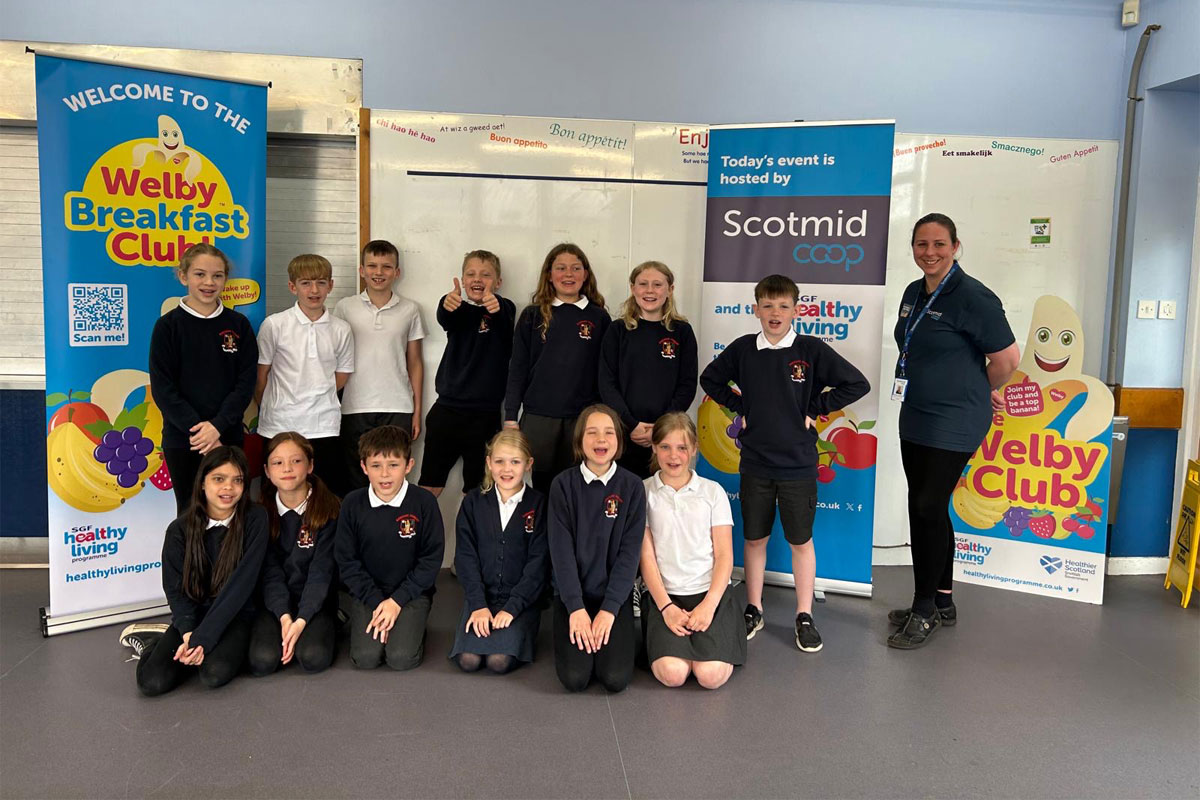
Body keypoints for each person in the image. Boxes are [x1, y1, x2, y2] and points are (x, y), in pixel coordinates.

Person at [699, 275, 870, 653]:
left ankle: (804, 615)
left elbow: (856, 384)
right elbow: (709, 378)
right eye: (768, 305)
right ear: (755, 309)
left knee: (800, 540)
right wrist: (742, 407)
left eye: (783, 306)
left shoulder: (809, 350)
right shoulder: (744, 349)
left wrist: (816, 407)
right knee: (754, 537)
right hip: (756, 464)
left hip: (798, 465)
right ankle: (754, 608)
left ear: (797, 309)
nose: (775, 313)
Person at [887, 213, 1019, 649]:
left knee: (927, 506)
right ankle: (943, 599)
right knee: (927, 505)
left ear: (955, 246)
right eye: (922, 244)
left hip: (956, 417)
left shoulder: (974, 297)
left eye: (939, 244)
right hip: (917, 412)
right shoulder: (913, 292)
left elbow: (1008, 360)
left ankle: (923, 609)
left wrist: (980, 390)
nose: (930, 252)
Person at [127, 446, 267, 696]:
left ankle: (200, 650)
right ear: (202, 483)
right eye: (218, 479)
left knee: (214, 674)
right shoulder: (179, 529)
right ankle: (153, 642)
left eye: (237, 480)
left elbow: (241, 586)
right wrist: (190, 632)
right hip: (194, 616)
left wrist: (203, 638)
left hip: (236, 614)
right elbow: (174, 588)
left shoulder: (255, 518)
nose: (228, 488)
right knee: (152, 683)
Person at [149, 243, 258, 514]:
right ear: (183, 276)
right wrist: (201, 433)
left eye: (217, 275)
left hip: (228, 438)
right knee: (189, 513)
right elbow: (164, 389)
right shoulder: (168, 326)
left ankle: (229, 560)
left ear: (225, 279)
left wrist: (218, 427)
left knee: (231, 513)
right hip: (183, 440)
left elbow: (245, 385)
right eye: (200, 274)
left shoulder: (239, 325)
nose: (209, 282)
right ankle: (191, 560)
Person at [640, 413, 744, 689]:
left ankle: (720, 633)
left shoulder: (713, 492)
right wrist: (666, 607)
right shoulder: (643, 492)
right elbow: (646, 557)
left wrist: (709, 606)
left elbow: (724, 556)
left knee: (710, 676)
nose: (674, 456)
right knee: (673, 674)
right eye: (665, 447)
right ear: (654, 447)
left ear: (694, 449)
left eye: (682, 447)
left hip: (710, 593)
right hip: (665, 594)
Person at [547, 404, 646, 692]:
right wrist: (576, 609)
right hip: (572, 597)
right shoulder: (562, 486)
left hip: (613, 598)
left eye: (608, 433)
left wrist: (609, 610)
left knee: (614, 679)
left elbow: (630, 556)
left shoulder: (632, 486)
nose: (601, 440)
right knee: (575, 678)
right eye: (592, 433)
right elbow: (560, 554)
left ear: (619, 441)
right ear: (579, 441)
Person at [504, 243, 611, 494]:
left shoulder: (599, 318)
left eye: (575, 268)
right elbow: (518, 368)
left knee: (576, 486)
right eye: (561, 268)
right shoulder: (532, 315)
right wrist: (511, 415)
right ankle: (544, 534)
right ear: (549, 276)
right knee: (541, 488)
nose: (568, 274)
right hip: (539, 417)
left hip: (582, 418)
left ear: (585, 274)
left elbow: (606, 372)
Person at [335, 425, 444, 670]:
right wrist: (376, 601)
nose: (385, 474)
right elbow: (347, 561)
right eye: (376, 466)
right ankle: (375, 620)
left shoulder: (424, 502)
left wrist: (396, 602)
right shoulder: (353, 503)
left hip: (412, 593)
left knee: (401, 658)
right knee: (365, 658)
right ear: (364, 467)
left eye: (393, 465)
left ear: (408, 465)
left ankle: (412, 625)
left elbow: (430, 560)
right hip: (368, 592)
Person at [449, 430, 548, 674]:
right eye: (500, 461)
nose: (507, 469)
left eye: (515, 462)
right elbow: (465, 557)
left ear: (528, 465)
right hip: (481, 597)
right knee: (468, 660)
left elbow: (539, 563)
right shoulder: (473, 502)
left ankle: (520, 633)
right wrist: (478, 605)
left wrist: (513, 607)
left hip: (521, 601)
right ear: (488, 463)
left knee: (498, 661)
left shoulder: (539, 505)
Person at [419, 250, 516, 498]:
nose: (477, 279)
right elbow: (446, 314)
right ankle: (421, 537)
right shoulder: (457, 309)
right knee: (429, 486)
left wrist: (496, 306)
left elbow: (504, 314)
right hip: (446, 411)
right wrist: (445, 302)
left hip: (484, 417)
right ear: (462, 280)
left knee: (478, 491)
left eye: (486, 275)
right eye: (471, 274)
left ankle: (471, 538)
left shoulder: (505, 310)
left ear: (498, 282)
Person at [256, 254, 354, 496]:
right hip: (279, 425)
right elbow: (261, 376)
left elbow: (341, 376)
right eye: (306, 283)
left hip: (324, 427)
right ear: (292, 287)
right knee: (275, 499)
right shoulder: (274, 325)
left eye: (321, 282)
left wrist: (317, 393)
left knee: (325, 499)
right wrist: (272, 406)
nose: (314, 290)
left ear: (330, 285)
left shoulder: (341, 329)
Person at [334, 240, 426, 492]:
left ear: (397, 272)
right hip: (354, 406)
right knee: (355, 480)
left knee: (392, 481)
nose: (379, 272)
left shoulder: (410, 310)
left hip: (398, 406)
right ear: (361, 270)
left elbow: (415, 362)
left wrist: (416, 411)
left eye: (386, 267)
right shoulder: (344, 307)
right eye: (372, 265)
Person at [247, 433, 341, 676]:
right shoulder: (259, 515)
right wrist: (284, 617)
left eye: (296, 461)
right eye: (278, 462)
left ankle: (330, 624)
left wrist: (301, 620)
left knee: (313, 658)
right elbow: (269, 573)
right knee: (262, 661)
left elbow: (322, 572)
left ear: (310, 465)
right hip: (275, 603)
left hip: (316, 600)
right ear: (267, 471)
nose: (287, 468)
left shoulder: (330, 510)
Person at [599, 261, 698, 479]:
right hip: (624, 433)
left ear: (670, 290)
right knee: (625, 501)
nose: (649, 290)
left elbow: (688, 384)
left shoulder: (682, 332)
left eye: (657, 284)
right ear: (633, 288)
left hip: (665, 437)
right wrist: (631, 424)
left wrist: (661, 428)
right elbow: (606, 383)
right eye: (643, 284)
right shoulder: (617, 330)